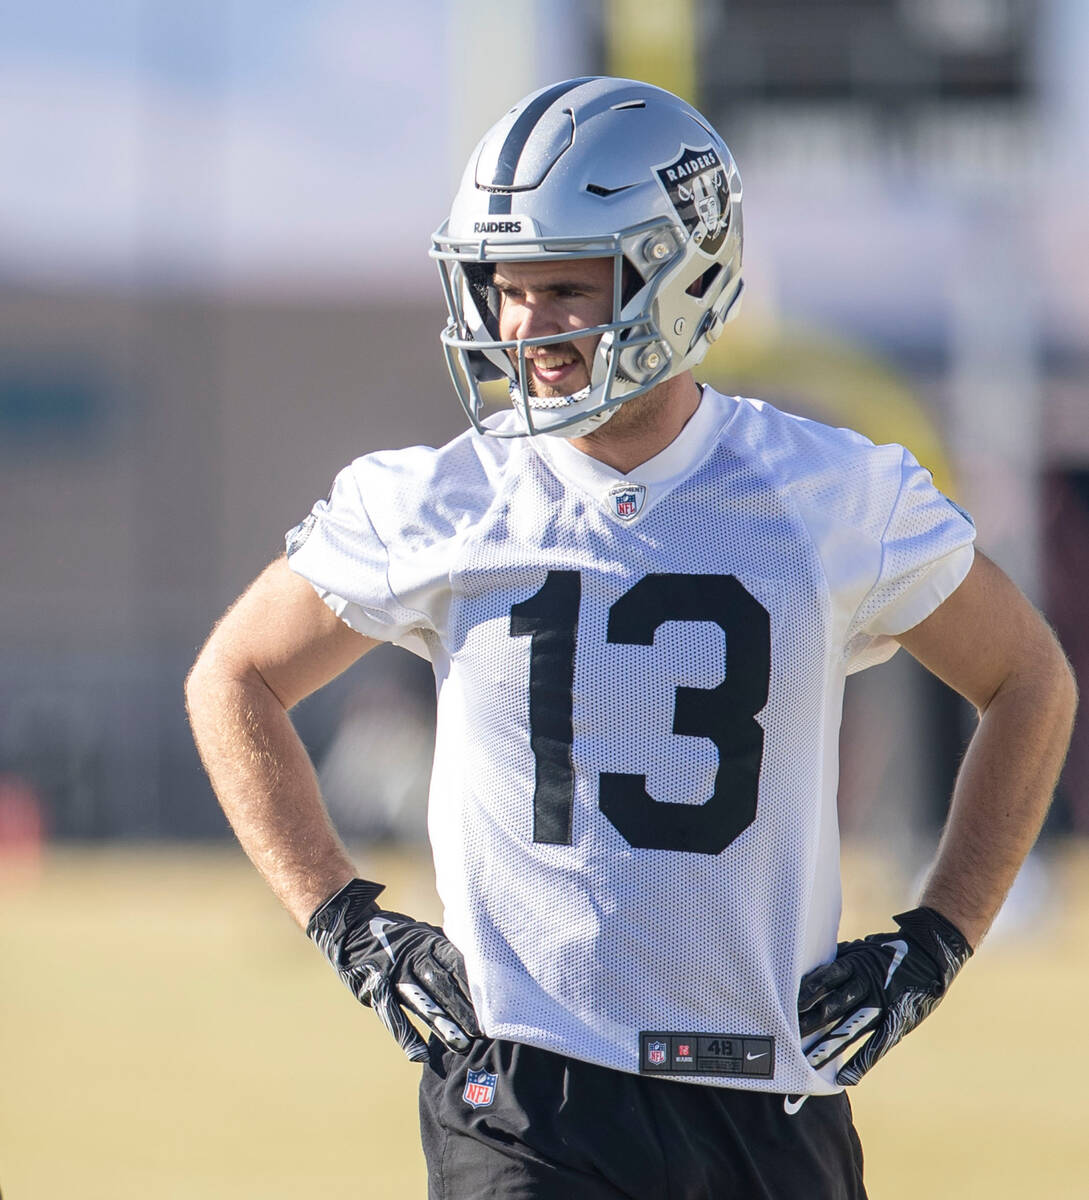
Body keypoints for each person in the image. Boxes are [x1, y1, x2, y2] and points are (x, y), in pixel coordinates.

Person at [185, 77, 1077, 1199]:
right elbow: (235, 675)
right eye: (507, 290)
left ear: (684, 271)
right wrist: (349, 926)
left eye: (566, 287)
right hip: (522, 1094)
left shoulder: (832, 493)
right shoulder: (442, 499)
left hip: (764, 1086)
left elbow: (1027, 679)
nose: (526, 327)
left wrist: (938, 940)